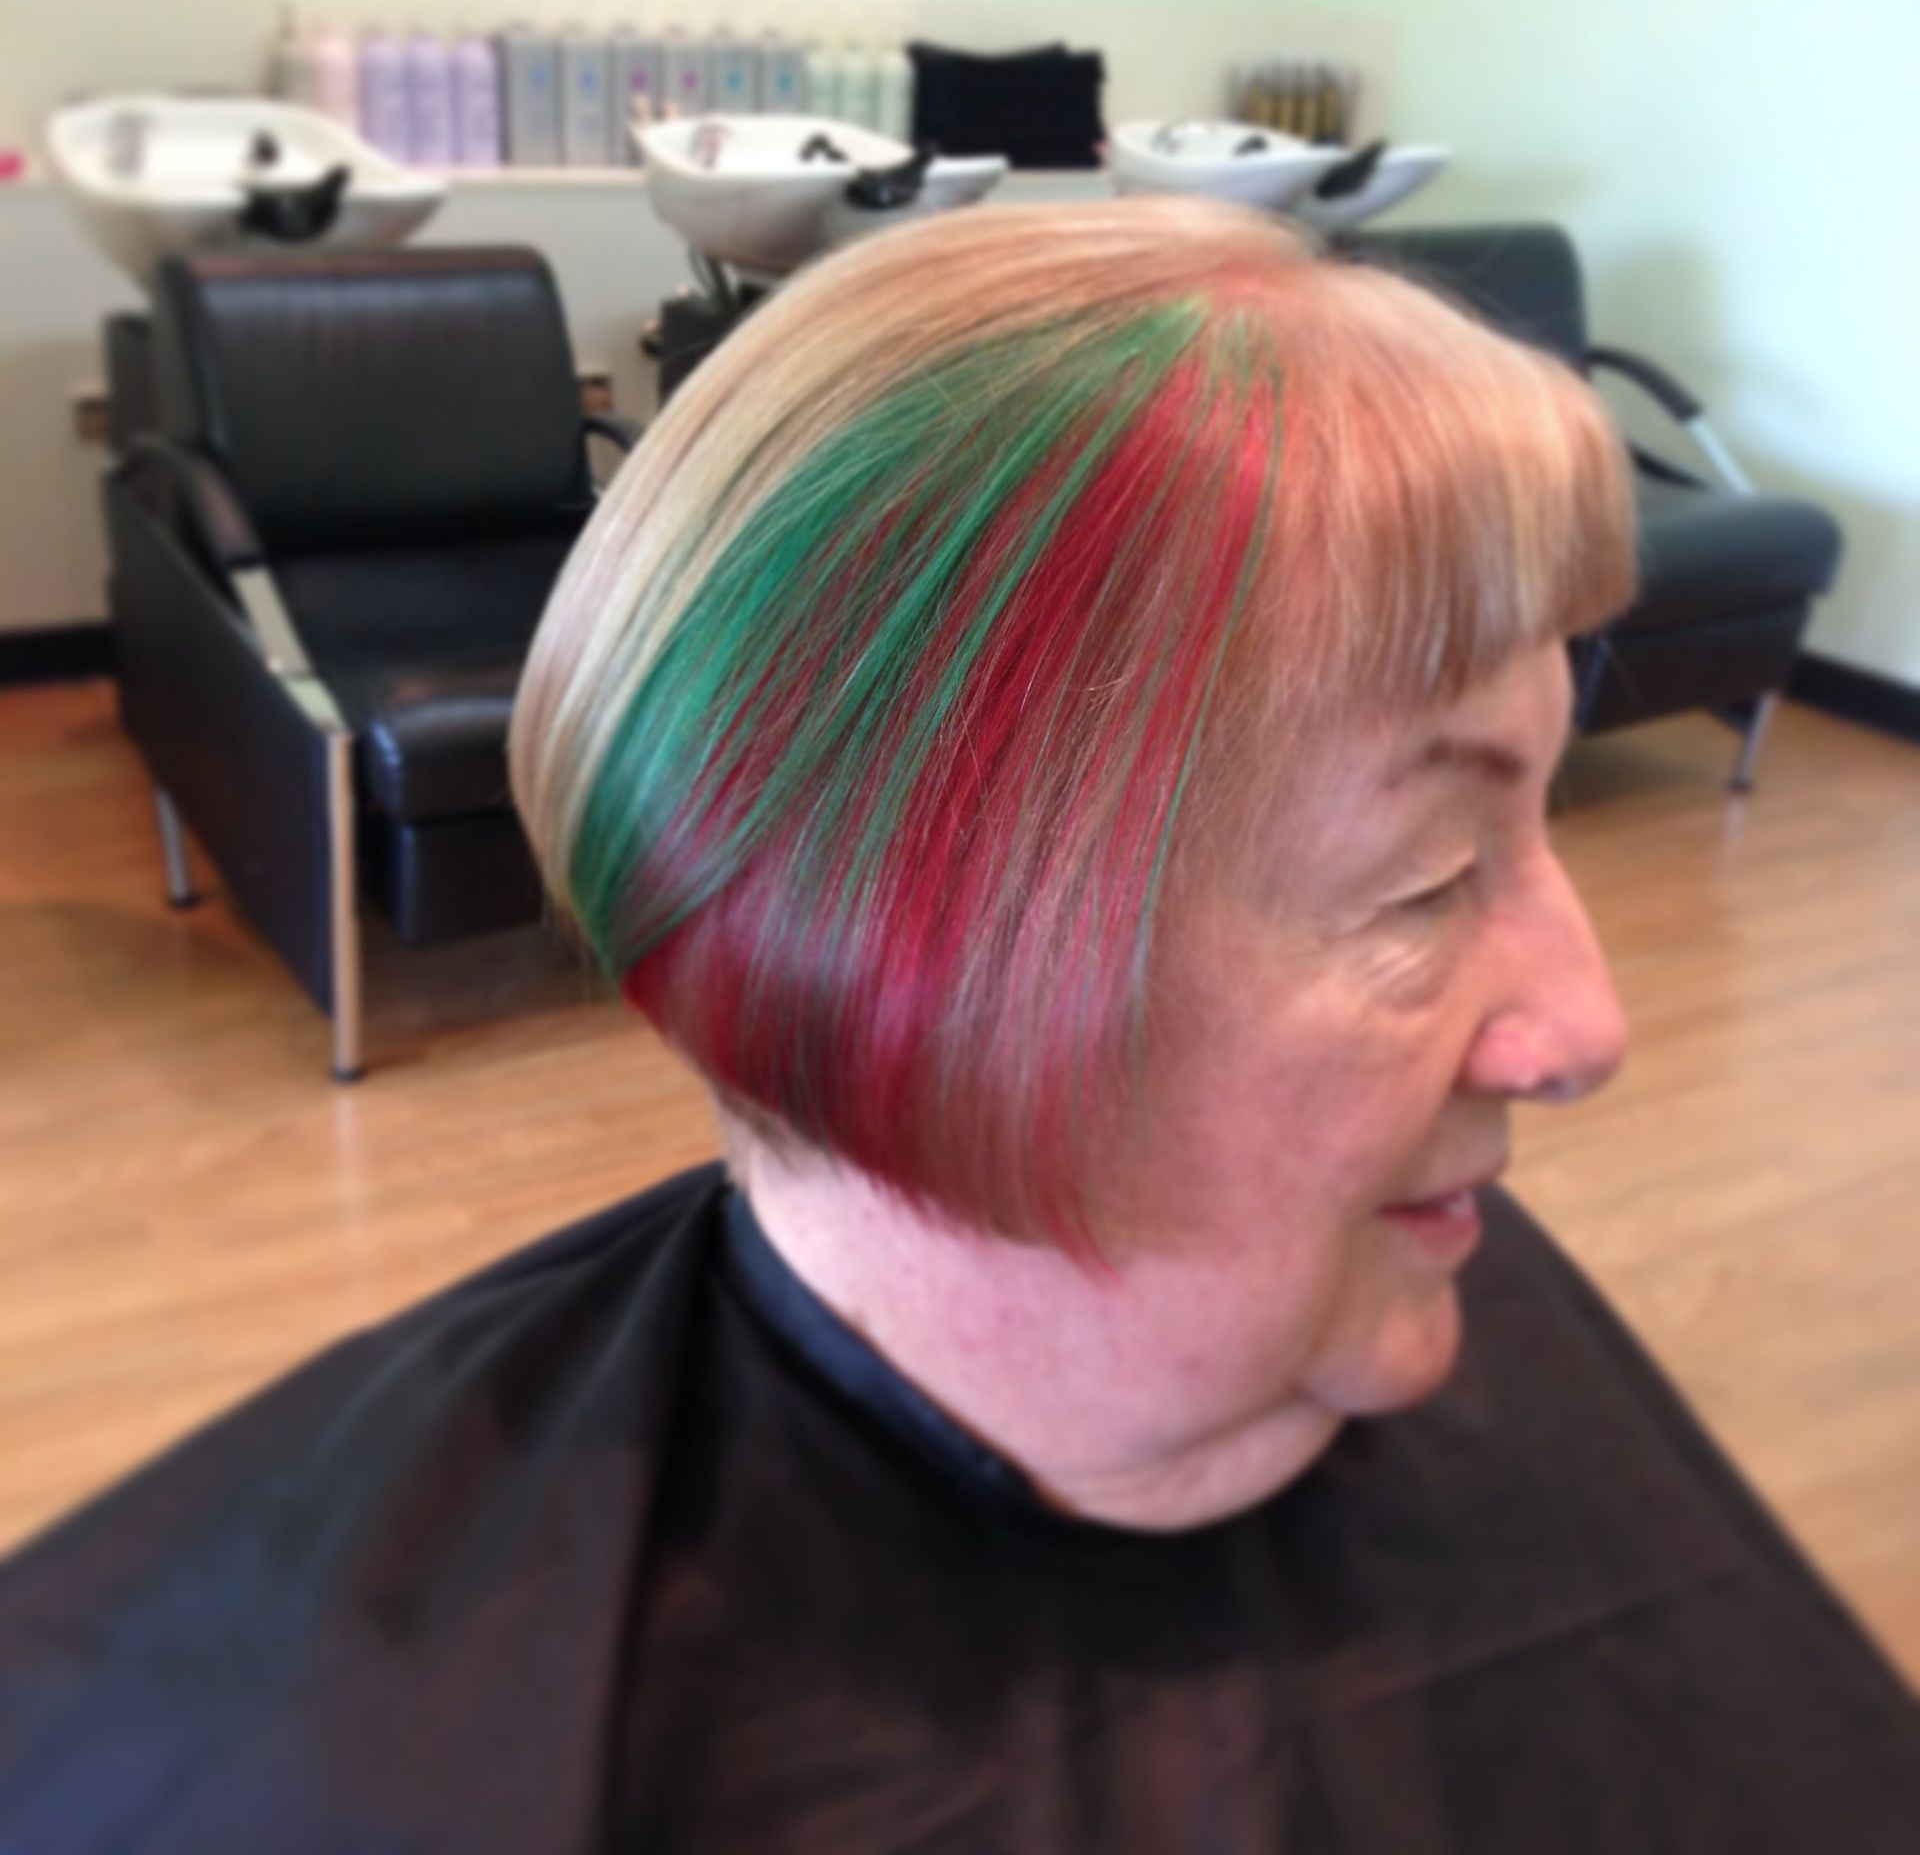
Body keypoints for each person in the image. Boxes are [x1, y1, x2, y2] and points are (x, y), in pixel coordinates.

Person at [1, 199, 1915, 1851]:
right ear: (899, 971)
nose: (1586, 1029)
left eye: (1539, 808)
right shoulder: (305, 1753)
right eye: (1423, 879)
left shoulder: (1481, 1286)